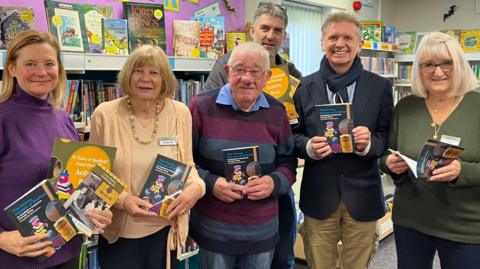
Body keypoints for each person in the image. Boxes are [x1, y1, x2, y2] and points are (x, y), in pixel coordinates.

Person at [0, 29, 112, 269]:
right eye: (30, 64)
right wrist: (2, 239)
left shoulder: (62, 119)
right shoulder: (3, 117)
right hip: (16, 258)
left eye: (49, 63)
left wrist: (95, 211)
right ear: (11, 68)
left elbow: (71, 184)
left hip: (66, 251)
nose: (41, 72)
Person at [88, 44, 205, 269]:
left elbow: (189, 166)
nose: (146, 78)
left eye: (154, 72)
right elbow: (94, 175)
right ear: (127, 75)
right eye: (138, 70)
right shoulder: (105, 114)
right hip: (118, 234)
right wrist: (123, 200)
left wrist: (197, 188)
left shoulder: (180, 113)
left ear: (164, 80)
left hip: (163, 230)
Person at [292, 12, 394, 269]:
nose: (340, 43)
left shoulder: (380, 86)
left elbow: (386, 136)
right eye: (333, 37)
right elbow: (293, 135)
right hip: (318, 196)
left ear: (359, 44)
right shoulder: (304, 86)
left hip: (364, 196)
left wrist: (369, 143)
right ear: (322, 42)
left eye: (348, 37)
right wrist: (308, 147)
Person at [204, 2, 301, 268]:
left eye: (278, 31)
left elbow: (296, 127)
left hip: (270, 172)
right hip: (226, 184)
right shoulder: (227, 63)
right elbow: (213, 110)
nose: (271, 36)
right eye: (265, 28)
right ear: (251, 29)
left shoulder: (290, 71)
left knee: (281, 246)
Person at [381, 32, 480, 269]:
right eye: (429, 65)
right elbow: (386, 154)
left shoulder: (477, 107)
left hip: (465, 225)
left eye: (447, 63)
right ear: (419, 69)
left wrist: (461, 170)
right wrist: (389, 165)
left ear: (460, 65)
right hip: (411, 221)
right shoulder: (405, 107)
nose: (438, 71)